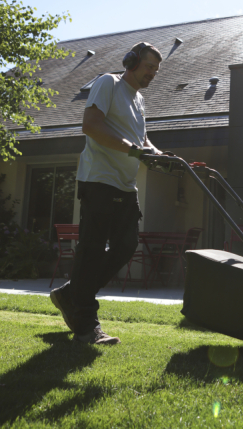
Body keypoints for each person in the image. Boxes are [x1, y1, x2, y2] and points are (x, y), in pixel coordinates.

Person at [50, 42, 166, 344]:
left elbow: (142, 140)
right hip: (99, 181)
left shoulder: (139, 100)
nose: (153, 73)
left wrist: (163, 157)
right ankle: (87, 324)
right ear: (132, 61)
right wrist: (134, 150)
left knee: (126, 246)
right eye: (149, 66)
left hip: (126, 185)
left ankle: (71, 293)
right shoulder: (109, 83)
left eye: (156, 69)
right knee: (91, 251)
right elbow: (91, 125)